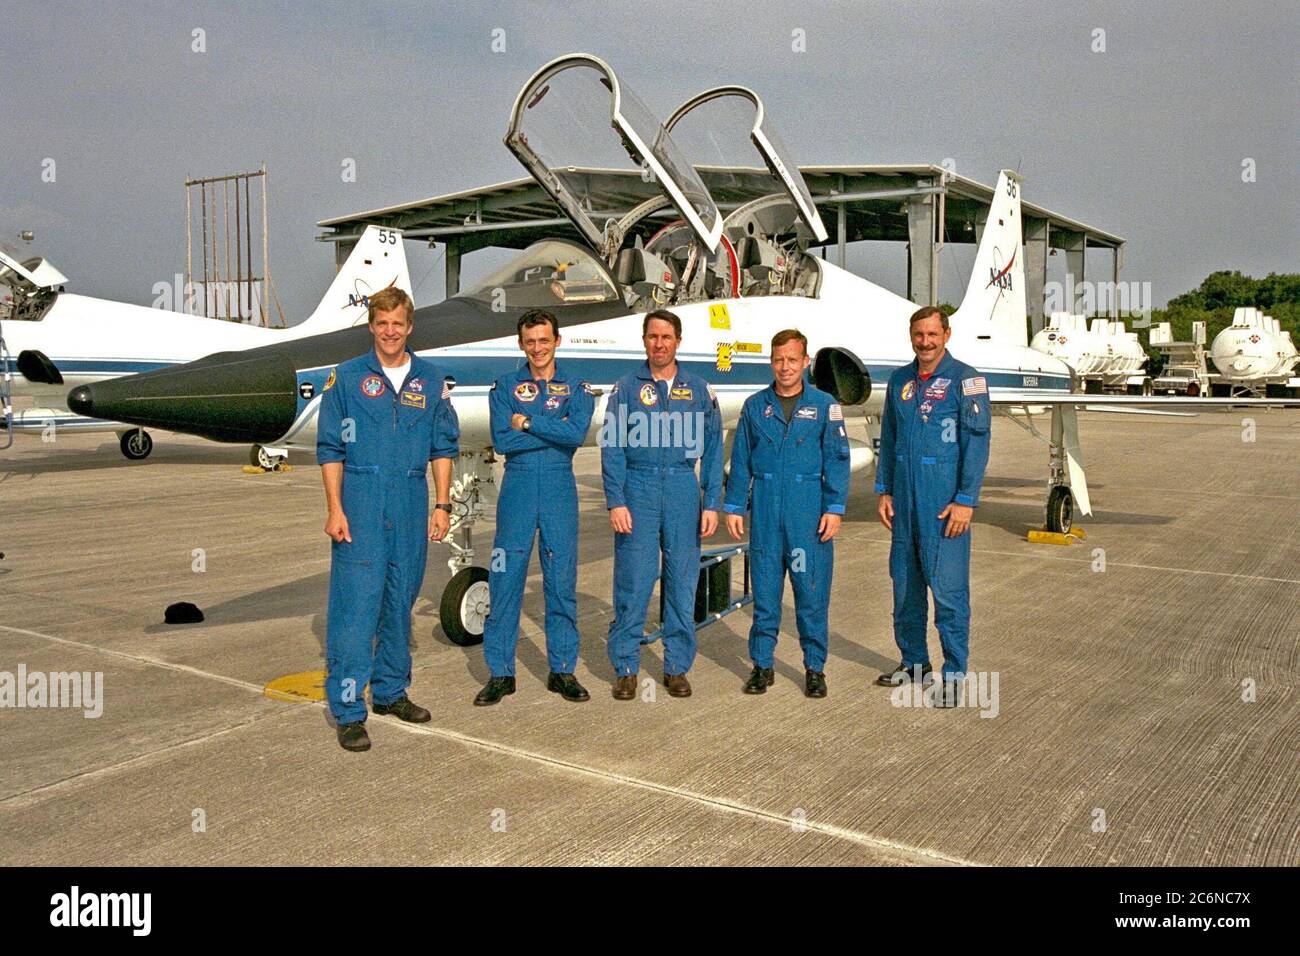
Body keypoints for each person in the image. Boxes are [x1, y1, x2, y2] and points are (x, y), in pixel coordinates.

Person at [317, 286, 459, 751]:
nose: (390, 332)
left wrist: (442, 504)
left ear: (409, 325)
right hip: (360, 498)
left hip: (411, 499)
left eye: (397, 323)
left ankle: (391, 691)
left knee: (400, 601)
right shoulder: (348, 377)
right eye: (382, 324)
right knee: (355, 609)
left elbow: (443, 447)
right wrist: (335, 509)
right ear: (372, 326)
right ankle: (348, 710)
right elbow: (331, 449)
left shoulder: (430, 380)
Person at [474, 310, 595, 706]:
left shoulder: (576, 386)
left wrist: (526, 423)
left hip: (560, 486)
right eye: (530, 341)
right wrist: (547, 429)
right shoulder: (506, 386)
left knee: (561, 580)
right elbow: (503, 442)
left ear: (557, 341)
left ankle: (562, 669)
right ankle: (500, 673)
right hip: (519, 486)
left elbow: (576, 434)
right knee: (505, 578)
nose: (538, 348)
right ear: (521, 343)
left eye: (544, 340)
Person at [601, 309, 723, 700]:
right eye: (652, 336)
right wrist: (616, 501)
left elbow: (716, 448)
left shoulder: (699, 390)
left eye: (666, 337)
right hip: (637, 489)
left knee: (682, 581)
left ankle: (676, 667)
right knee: (633, 581)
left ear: (678, 342)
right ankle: (625, 666)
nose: (659, 344)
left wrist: (712, 502)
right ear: (644, 341)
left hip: (683, 489)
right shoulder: (625, 388)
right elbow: (612, 449)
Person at [874, 305, 990, 706]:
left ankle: (954, 674)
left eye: (932, 334)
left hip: (943, 506)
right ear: (911, 336)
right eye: (918, 335)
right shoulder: (900, 381)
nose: (925, 342)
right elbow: (889, 437)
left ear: (946, 335)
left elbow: (976, 443)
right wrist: (884, 489)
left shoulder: (966, 381)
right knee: (905, 588)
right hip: (903, 503)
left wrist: (965, 500)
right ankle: (914, 663)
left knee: (948, 592)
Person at [724, 329, 850, 697]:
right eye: (778, 360)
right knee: (765, 597)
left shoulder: (826, 405)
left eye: (792, 360)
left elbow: (838, 460)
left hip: (806, 514)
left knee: (810, 595)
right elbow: (742, 460)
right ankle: (762, 666)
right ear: (771, 362)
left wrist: (835, 508)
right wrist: (734, 506)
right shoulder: (755, 406)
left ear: (805, 362)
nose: (785, 367)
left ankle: (814, 668)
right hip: (765, 515)